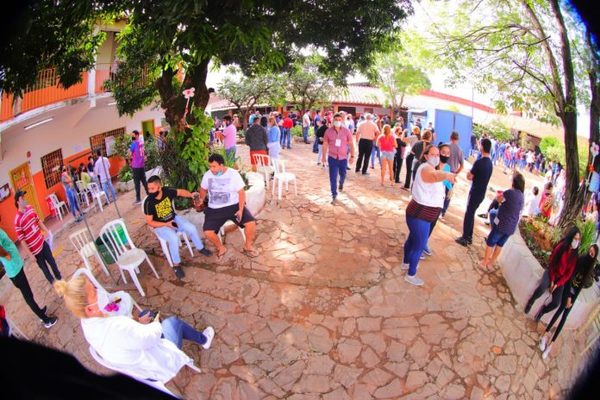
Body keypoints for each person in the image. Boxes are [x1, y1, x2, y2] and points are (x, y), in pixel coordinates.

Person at [54, 274, 214, 382]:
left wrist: (137, 321)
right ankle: (205, 340)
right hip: (154, 364)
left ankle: (161, 324)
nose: (99, 291)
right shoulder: (116, 327)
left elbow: (127, 335)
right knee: (172, 322)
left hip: (135, 365)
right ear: (89, 309)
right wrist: (155, 324)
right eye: (94, 292)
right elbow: (150, 337)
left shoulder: (87, 324)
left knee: (146, 313)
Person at [403, 145, 456, 286]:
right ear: (426, 156)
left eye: (437, 154)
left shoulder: (433, 168)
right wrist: (446, 175)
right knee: (419, 245)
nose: (436, 157)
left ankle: (406, 263)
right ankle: (411, 274)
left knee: (412, 239)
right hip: (420, 215)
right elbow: (432, 177)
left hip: (422, 215)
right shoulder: (426, 168)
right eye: (433, 154)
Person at [144, 176, 212, 280]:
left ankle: (200, 248)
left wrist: (191, 195)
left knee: (191, 228)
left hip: (173, 218)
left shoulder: (167, 191)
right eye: (149, 188)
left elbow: (180, 192)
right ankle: (176, 265)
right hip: (160, 226)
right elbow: (150, 222)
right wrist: (166, 224)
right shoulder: (149, 202)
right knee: (174, 239)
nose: (150, 191)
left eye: (152, 188)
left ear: (159, 187)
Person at [538, 244, 598, 359]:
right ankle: (545, 334)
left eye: (592, 254)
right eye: (589, 251)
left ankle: (551, 344)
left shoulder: (589, 272)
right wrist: (569, 297)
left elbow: (579, 288)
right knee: (560, 309)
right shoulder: (580, 260)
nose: (589, 255)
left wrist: (572, 300)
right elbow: (570, 277)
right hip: (567, 288)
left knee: (565, 316)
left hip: (573, 294)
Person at [198, 153, 258, 259]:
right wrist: (201, 200)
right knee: (207, 232)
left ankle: (248, 246)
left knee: (251, 223)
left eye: (214, 166)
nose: (212, 169)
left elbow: (241, 192)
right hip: (214, 209)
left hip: (233, 206)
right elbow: (203, 189)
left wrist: (240, 209)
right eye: (210, 166)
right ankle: (221, 248)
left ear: (221, 165)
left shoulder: (233, 174)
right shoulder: (207, 175)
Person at [0, 227, 57, 328]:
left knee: (29, 294)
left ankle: (40, 312)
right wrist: (7, 255)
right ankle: (46, 320)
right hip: (14, 270)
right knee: (28, 296)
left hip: (16, 267)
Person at [524, 226, 580, 320]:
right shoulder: (561, 247)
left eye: (578, 239)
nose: (576, 241)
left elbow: (568, 274)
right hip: (551, 272)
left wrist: (557, 284)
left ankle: (542, 311)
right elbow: (552, 263)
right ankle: (531, 300)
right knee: (542, 287)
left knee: (556, 303)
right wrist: (552, 281)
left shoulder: (575, 255)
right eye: (575, 238)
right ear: (571, 237)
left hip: (560, 280)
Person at [14, 190, 63, 284]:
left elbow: (38, 221)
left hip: (42, 242)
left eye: (24, 197)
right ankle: (56, 285)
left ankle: (60, 279)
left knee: (52, 262)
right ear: (18, 202)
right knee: (45, 270)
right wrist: (30, 255)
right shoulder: (17, 221)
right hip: (35, 251)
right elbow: (22, 240)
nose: (24, 200)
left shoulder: (30, 208)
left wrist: (47, 231)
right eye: (22, 198)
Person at [480, 172, 525, 270]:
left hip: (502, 224)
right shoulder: (522, 195)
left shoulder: (510, 192)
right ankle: (491, 264)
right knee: (500, 244)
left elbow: (498, 199)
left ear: (514, 182)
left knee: (490, 242)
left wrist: (501, 197)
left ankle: (484, 263)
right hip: (511, 228)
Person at [456, 138, 494, 246]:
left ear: (482, 147)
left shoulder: (479, 162)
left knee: (469, 214)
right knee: (471, 213)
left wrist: (469, 172)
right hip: (481, 193)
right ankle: (469, 236)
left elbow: (469, 176)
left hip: (475, 191)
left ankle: (465, 237)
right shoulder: (490, 163)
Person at [321, 113, 356, 205]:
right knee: (333, 177)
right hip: (332, 158)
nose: (337, 121)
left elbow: (351, 144)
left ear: (342, 121)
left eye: (339, 120)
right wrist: (323, 156)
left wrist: (352, 156)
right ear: (333, 121)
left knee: (343, 174)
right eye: (336, 120)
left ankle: (341, 183)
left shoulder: (346, 131)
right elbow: (325, 144)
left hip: (343, 158)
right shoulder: (328, 131)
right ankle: (334, 194)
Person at [130, 130, 149, 205]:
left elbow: (130, 153)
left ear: (137, 135)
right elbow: (144, 153)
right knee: (144, 181)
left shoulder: (133, 144)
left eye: (133, 135)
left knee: (137, 183)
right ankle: (149, 194)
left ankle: (138, 199)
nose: (132, 136)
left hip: (136, 166)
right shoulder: (141, 143)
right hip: (141, 165)